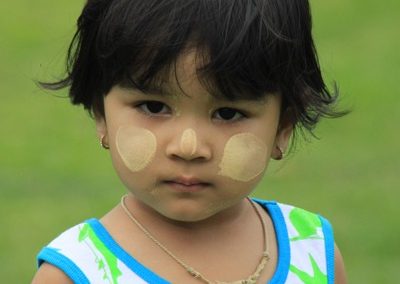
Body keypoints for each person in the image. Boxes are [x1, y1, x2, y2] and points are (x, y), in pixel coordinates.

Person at [32, 0, 347, 283]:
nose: (188, 147)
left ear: (283, 127)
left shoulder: (314, 249)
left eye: (227, 113)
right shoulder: (76, 272)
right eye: (154, 107)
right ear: (101, 115)